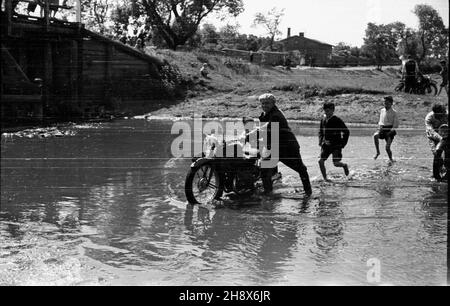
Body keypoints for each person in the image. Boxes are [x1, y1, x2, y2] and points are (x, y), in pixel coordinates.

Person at [245, 94, 312, 195]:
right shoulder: (264, 115)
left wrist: (251, 134)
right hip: (273, 147)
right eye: (262, 104)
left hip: (287, 147)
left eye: (267, 103)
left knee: (300, 169)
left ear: (273, 103)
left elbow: (266, 129)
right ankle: (268, 193)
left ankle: (308, 192)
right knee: (264, 170)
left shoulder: (276, 115)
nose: (264, 105)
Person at [241, 117, 281, 182]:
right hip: (253, 151)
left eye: (251, 123)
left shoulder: (257, 131)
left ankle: (274, 175)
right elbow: (241, 144)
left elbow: (264, 141)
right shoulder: (243, 134)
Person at [318, 102, 350, 181]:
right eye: (325, 110)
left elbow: (346, 132)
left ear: (333, 110)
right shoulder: (323, 119)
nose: (326, 112)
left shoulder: (337, 120)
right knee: (320, 161)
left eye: (328, 111)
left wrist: (342, 144)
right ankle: (325, 179)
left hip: (336, 145)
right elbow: (321, 131)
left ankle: (344, 165)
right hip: (326, 145)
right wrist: (321, 141)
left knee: (336, 163)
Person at [425, 103, 448, 180]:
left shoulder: (447, 115)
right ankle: (437, 173)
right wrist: (440, 138)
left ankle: (446, 170)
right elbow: (430, 131)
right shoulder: (429, 118)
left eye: (442, 114)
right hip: (433, 137)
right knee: (436, 153)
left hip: (446, 135)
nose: (440, 116)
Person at [373, 96, 399, 162]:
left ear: (391, 103)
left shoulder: (394, 112)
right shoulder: (382, 110)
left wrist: (390, 131)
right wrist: (379, 128)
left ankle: (391, 159)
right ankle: (378, 152)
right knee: (375, 135)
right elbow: (380, 121)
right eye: (384, 103)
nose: (385, 105)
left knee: (387, 148)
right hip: (382, 129)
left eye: (387, 103)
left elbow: (396, 125)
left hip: (390, 130)